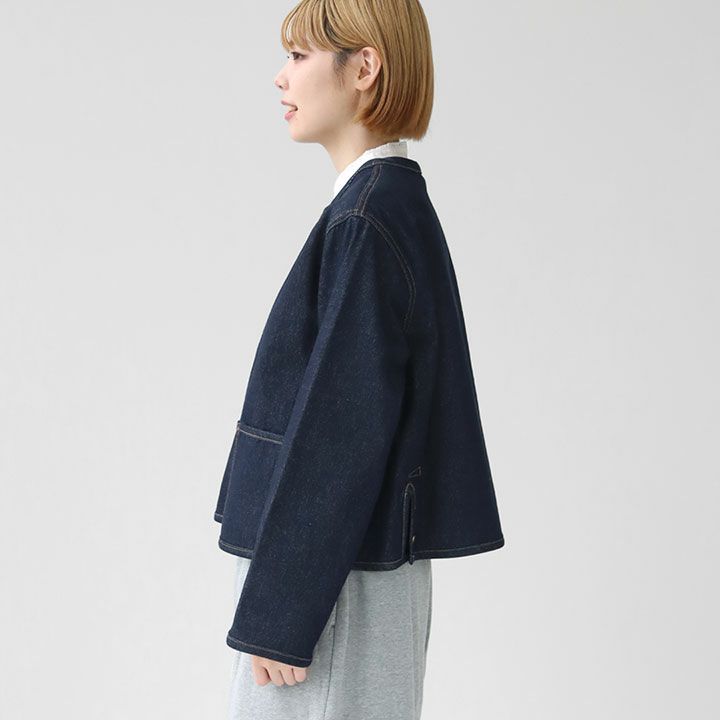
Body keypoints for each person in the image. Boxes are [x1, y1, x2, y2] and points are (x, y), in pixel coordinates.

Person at [214, 2, 505, 718]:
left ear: (364, 67)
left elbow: (340, 430)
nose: (280, 77)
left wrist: (281, 614)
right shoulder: (385, 208)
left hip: (333, 587)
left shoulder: (368, 220)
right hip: (349, 573)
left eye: (299, 56)